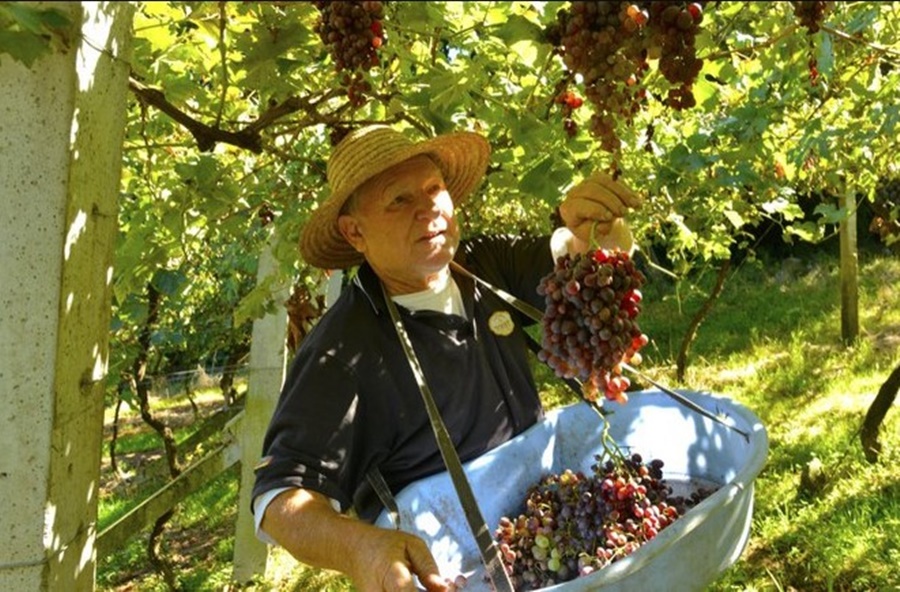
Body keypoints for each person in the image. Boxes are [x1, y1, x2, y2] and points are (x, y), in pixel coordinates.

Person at [251, 124, 642, 592]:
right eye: (399, 200)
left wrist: (596, 232)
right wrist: (362, 548)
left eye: (434, 188)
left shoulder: (483, 265)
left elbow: (576, 261)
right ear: (355, 232)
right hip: (457, 572)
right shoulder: (341, 352)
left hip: (553, 530)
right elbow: (279, 502)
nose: (429, 209)